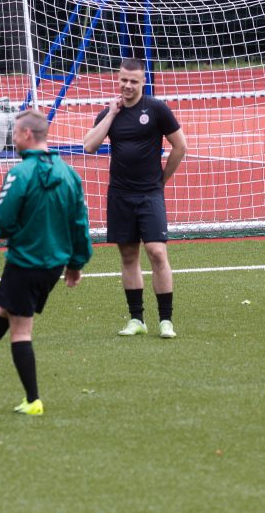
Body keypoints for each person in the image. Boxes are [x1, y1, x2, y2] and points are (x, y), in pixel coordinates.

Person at [0, 109, 93, 416]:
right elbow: (80, 224)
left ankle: (33, 400)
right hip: (52, 266)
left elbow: (3, 222)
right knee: (4, 309)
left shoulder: (19, 174)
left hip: (25, 262)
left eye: (14, 131)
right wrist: (76, 264)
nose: (12, 137)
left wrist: (9, 231)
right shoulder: (69, 174)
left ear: (27, 135)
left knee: (21, 330)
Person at [82, 57, 187, 339]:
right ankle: (137, 319)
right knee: (128, 255)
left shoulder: (156, 109)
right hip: (119, 194)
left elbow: (180, 146)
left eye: (133, 81)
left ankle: (166, 320)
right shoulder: (109, 113)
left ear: (142, 82)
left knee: (157, 251)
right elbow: (89, 146)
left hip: (149, 194)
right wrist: (112, 114)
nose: (127, 86)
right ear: (118, 80)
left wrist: (162, 180)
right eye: (123, 80)